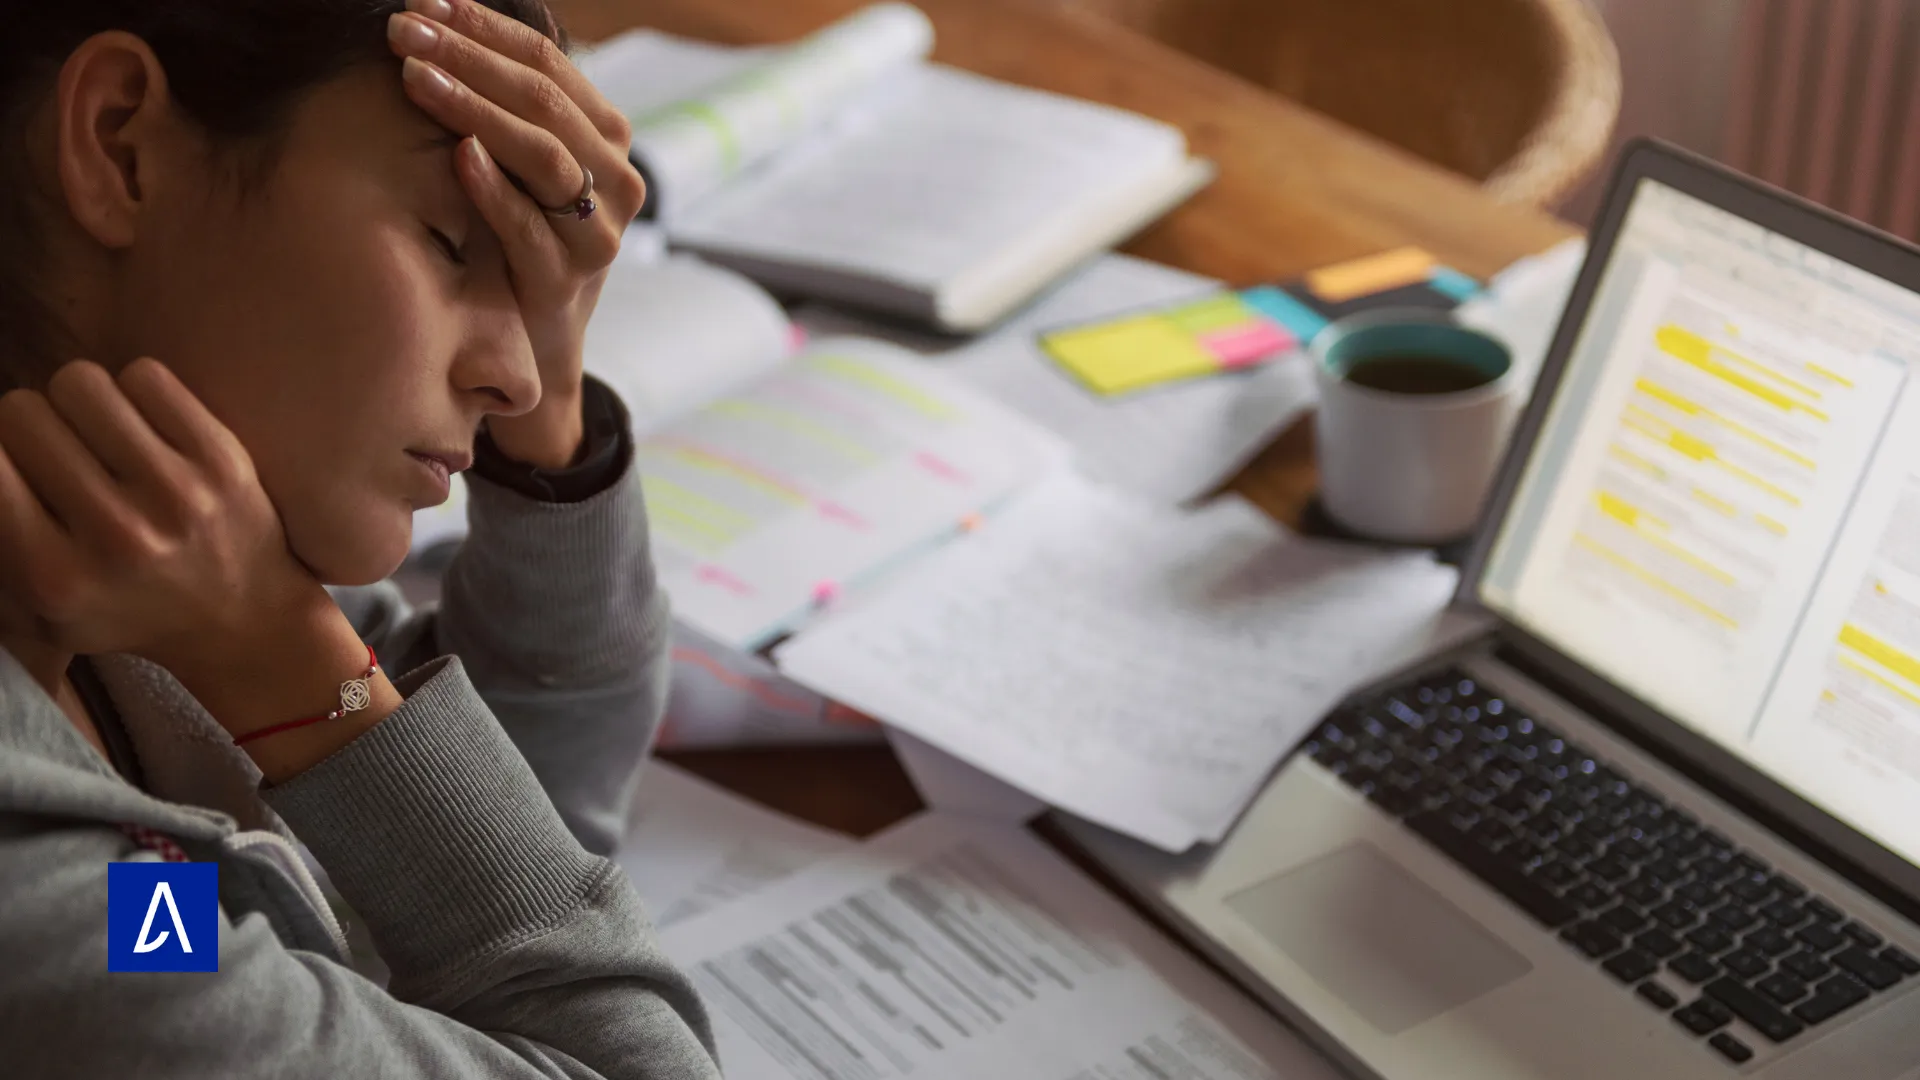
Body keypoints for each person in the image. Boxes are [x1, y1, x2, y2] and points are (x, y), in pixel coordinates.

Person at [0, 0, 723, 1076]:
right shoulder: (62, 903)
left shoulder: (141, 543)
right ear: (121, 145)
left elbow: (509, 828)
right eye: (448, 240)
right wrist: (288, 664)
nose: (518, 374)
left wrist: (552, 421)